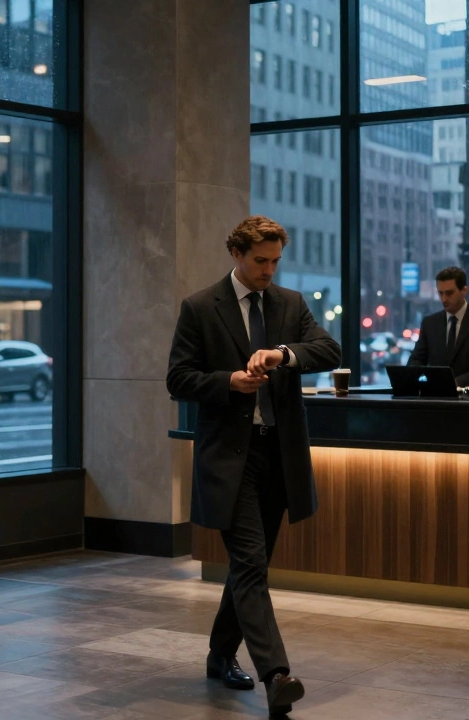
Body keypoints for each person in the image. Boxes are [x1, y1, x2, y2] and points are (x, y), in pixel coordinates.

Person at [167, 216, 341, 718]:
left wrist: (283, 354)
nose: (269, 270)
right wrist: (228, 382)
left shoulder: (290, 304)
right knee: (248, 562)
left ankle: (221, 654)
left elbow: (328, 349)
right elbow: (178, 378)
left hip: (278, 456)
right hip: (229, 458)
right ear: (237, 256)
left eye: (275, 260)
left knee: (253, 566)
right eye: (260, 261)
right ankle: (277, 675)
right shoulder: (201, 307)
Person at [407, 266, 469, 397]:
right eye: (440, 293)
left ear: (464, 291)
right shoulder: (430, 323)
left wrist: (451, 384)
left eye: (449, 293)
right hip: (436, 403)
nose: (443, 299)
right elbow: (416, 360)